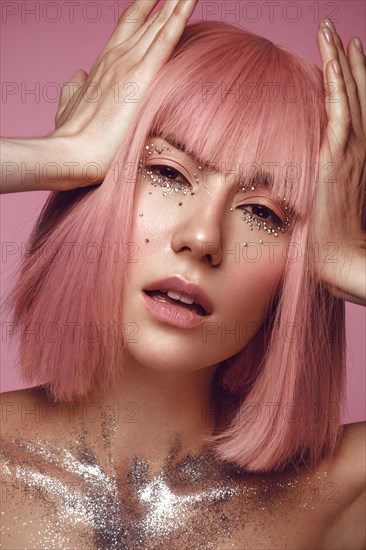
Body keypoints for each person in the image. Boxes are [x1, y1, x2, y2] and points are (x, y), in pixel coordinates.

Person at [1, 0, 365, 548]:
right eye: (168, 173)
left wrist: (350, 261)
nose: (202, 238)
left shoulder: (344, 491)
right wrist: (55, 155)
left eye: (264, 213)